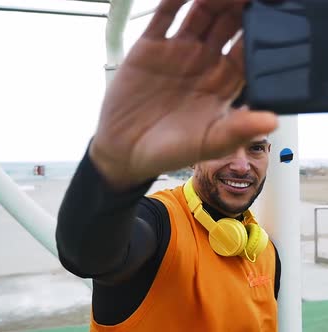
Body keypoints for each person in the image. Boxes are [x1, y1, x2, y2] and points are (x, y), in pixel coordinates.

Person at [55, 0, 280, 330]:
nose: (242, 165)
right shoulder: (158, 224)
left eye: (256, 148)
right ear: (191, 155)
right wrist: (116, 168)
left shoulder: (265, 252)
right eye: (221, 146)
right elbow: (87, 255)